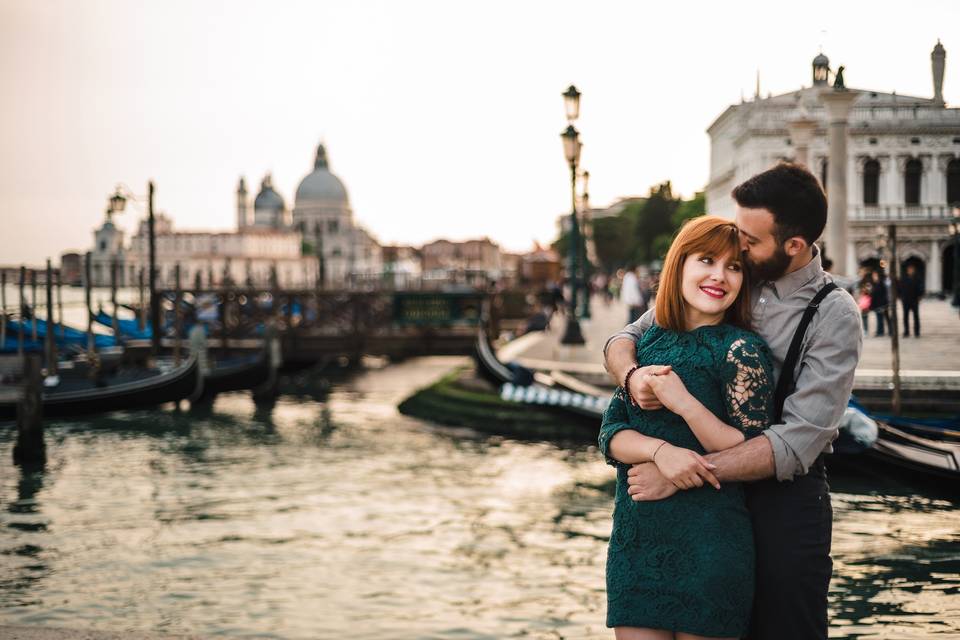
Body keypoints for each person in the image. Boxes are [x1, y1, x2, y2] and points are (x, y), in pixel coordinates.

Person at [603, 163, 862, 640]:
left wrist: (679, 473)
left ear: (794, 247)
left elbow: (796, 442)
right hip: (702, 501)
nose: (734, 248)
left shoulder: (833, 313)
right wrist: (632, 374)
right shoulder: (728, 277)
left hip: (785, 502)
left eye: (748, 240)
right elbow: (628, 335)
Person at [599, 215, 774, 639]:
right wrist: (661, 452)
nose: (720, 275)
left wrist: (685, 404)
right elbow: (611, 435)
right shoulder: (646, 344)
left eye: (734, 267)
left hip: (710, 541)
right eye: (707, 261)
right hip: (636, 540)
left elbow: (747, 445)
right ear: (680, 265)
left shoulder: (741, 349)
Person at [899, 263, 924, 337]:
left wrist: (919, 296)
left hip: (914, 300)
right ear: (907, 270)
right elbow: (900, 288)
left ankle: (917, 332)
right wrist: (901, 296)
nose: (910, 271)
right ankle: (906, 331)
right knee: (905, 317)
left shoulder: (917, 278)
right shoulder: (904, 278)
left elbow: (920, 288)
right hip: (906, 300)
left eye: (912, 269)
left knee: (916, 317)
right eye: (909, 269)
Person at [869, 270, 889, 337]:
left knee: (880, 319)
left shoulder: (881, 283)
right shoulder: (874, 284)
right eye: (873, 276)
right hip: (876, 304)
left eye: (875, 276)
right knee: (879, 318)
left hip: (881, 304)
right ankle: (879, 331)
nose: (873, 277)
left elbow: (884, 294)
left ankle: (881, 332)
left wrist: (883, 304)